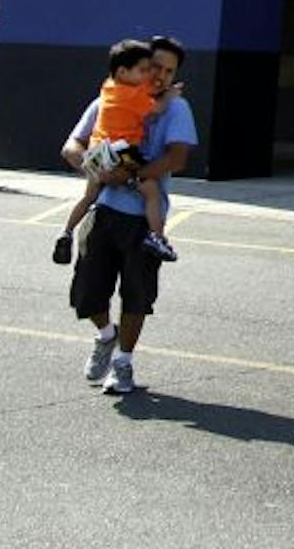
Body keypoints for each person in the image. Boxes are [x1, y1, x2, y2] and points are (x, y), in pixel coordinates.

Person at [59, 35, 198, 397]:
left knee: (136, 296)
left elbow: (178, 157)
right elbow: (71, 146)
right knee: (87, 292)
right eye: (155, 67)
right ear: (139, 67)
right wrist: (97, 169)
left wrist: (135, 175)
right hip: (103, 210)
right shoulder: (110, 97)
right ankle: (106, 335)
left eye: (170, 71)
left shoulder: (176, 108)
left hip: (143, 220)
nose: (161, 76)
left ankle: (123, 363)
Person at [53, 39, 178, 266]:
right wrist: (169, 95)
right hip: (121, 150)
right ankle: (157, 238)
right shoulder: (134, 97)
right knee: (151, 191)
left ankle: (67, 231)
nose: (149, 74)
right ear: (123, 71)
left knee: (89, 196)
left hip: (96, 151)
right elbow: (156, 109)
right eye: (143, 70)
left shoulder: (109, 87)